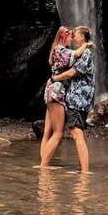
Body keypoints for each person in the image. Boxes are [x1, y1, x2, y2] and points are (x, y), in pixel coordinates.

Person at [45, 25, 96, 173]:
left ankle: (84, 171)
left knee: (75, 133)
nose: (73, 37)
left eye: (76, 35)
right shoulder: (81, 52)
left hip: (78, 98)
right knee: (77, 133)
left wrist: (54, 78)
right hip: (79, 98)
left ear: (82, 37)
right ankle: (83, 169)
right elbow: (71, 59)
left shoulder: (85, 53)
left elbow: (72, 72)